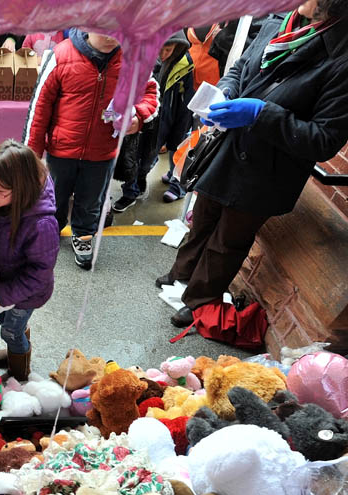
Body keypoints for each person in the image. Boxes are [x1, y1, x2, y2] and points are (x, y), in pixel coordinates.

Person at [157, 0, 348, 328]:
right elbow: (241, 67)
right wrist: (228, 90)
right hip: (228, 147)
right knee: (203, 218)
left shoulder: (342, 61)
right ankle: (182, 274)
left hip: (268, 170)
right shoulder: (280, 21)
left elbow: (323, 139)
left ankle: (199, 300)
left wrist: (262, 114)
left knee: (228, 239)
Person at [23, 29, 158, 269]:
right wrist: (32, 153)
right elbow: (40, 106)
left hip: (102, 151)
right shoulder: (61, 54)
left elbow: (150, 94)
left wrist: (138, 116)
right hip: (61, 149)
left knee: (91, 200)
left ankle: (83, 235)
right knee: (53, 197)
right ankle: (48, 233)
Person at [0, 140, 59, 381]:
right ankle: (18, 342)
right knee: (3, 318)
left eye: (0, 191)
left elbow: (40, 273)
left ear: (21, 189)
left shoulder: (41, 225)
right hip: (4, 283)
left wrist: (2, 295)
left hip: (27, 293)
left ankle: (19, 370)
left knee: (10, 329)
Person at [154, 31, 195, 203]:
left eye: (168, 50)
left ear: (177, 47)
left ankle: (178, 186)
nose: (163, 54)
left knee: (178, 148)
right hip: (159, 114)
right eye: (160, 49)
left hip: (179, 113)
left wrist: (184, 123)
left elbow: (187, 99)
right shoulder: (149, 59)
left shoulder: (185, 64)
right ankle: (172, 173)